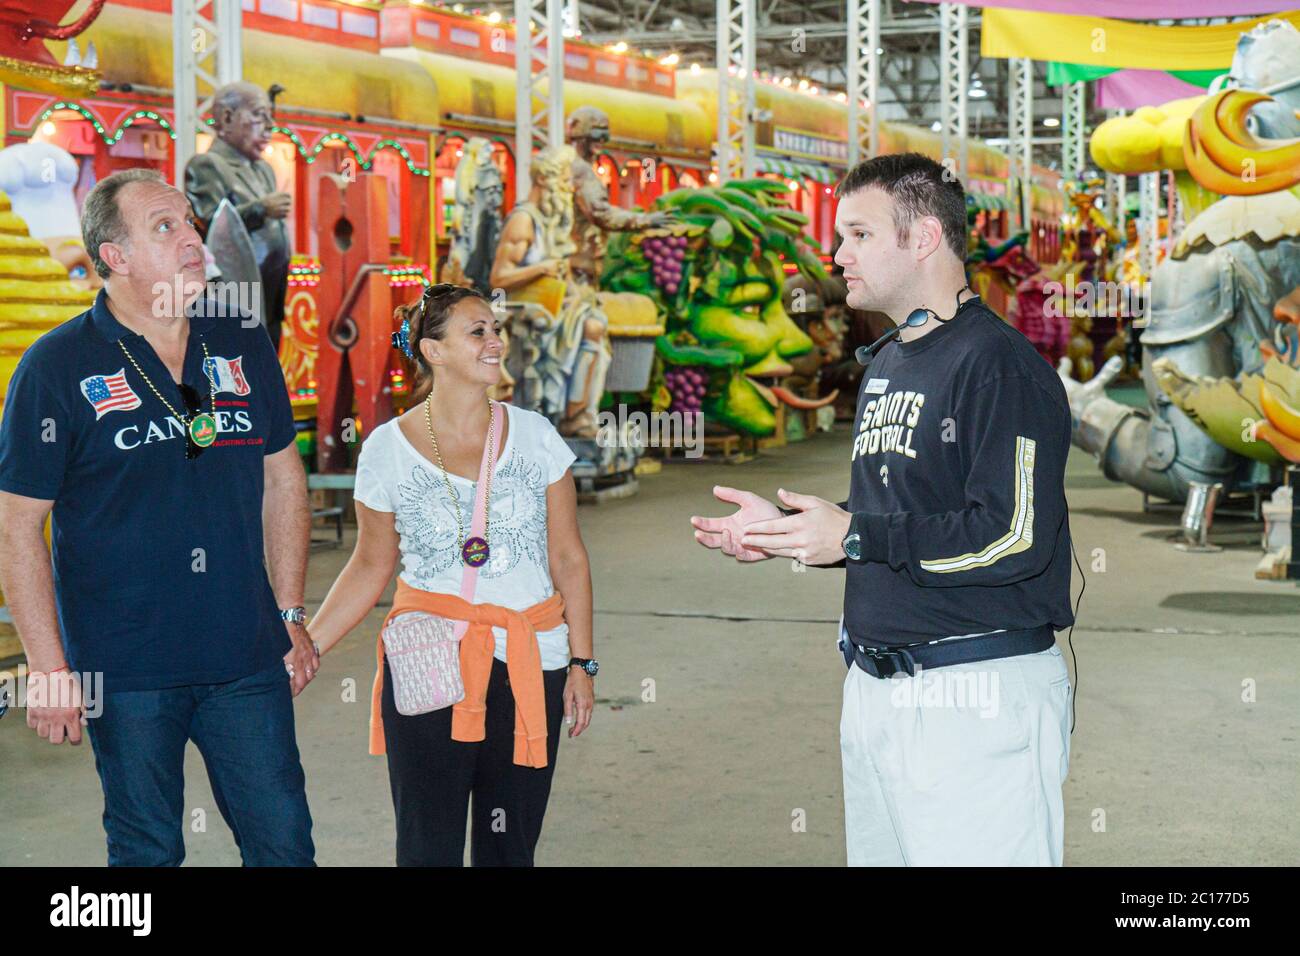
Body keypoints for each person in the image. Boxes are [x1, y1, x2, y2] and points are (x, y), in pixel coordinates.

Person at [690, 153, 1075, 867]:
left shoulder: (998, 366)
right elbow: (895, 513)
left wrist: (857, 535)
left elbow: (1015, 537)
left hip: (974, 698)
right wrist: (794, 531)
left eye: (858, 235)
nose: (837, 256)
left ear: (923, 237)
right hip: (876, 691)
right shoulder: (892, 360)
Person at [0, 168, 317, 866]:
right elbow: (18, 526)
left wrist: (290, 614)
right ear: (114, 257)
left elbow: (281, 474)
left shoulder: (239, 336)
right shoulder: (56, 367)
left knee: (285, 844)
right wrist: (49, 667)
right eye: (164, 227)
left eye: (190, 223)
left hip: (246, 653)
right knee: (146, 852)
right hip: (125, 664)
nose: (192, 240)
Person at [307, 284, 596, 867]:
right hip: (427, 659)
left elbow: (568, 558)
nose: (495, 341)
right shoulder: (386, 449)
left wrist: (583, 664)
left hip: (531, 658)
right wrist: (307, 645)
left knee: (509, 845)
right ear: (432, 351)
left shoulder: (536, 435)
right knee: (426, 844)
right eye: (477, 331)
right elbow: (370, 563)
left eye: (495, 329)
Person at [184, 81, 292, 348]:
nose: (269, 126)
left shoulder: (263, 169)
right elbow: (211, 223)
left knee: (267, 358)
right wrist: (261, 208)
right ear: (227, 118)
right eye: (258, 115)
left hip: (270, 289)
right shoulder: (207, 165)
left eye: (270, 117)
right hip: (235, 290)